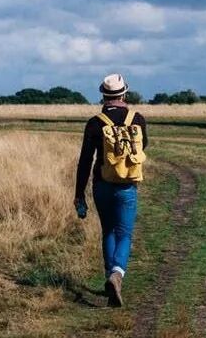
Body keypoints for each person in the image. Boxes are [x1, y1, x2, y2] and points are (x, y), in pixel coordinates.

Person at [74, 73, 149, 307]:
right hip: (127, 184)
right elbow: (142, 146)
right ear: (124, 93)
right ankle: (117, 274)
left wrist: (79, 194)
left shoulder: (95, 123)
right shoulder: (137, 119)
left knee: (108, 231)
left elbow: (85, 160)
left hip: (102, 185)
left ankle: (110, 278)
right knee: (124, 233)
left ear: (103, 95)